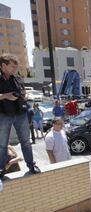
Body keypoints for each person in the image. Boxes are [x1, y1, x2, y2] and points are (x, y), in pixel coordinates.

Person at [0, 53, 40, 185]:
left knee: (26, 142)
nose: (14, 70)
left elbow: (21, 92)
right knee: (2, 145)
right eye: (12, 67)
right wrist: (6, 96)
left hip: (20, 113)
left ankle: (31, 165)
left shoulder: (16, 79)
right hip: (4, 115)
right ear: (3, 65)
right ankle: (1, 171)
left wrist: (23, 94)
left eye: (16, 67)